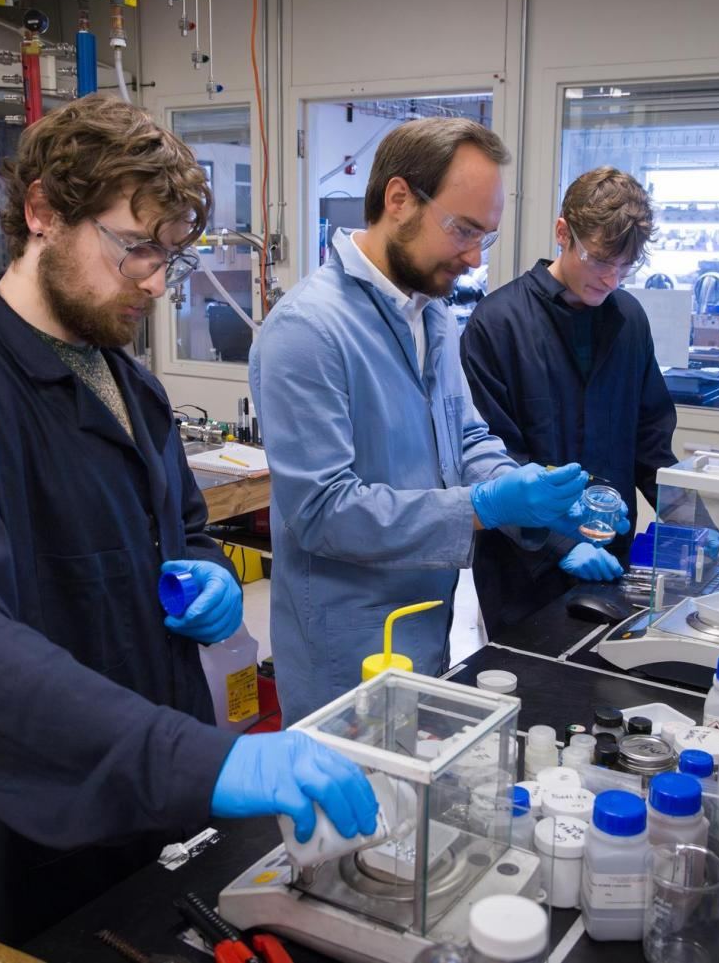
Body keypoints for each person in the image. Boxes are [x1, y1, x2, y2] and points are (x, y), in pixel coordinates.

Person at [0, 95, 377, 959]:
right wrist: (205, 761)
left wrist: (204, 570)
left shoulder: (127, 384)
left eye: (172, 252)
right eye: (136, 247)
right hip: (14, 842)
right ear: (42, 213)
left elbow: (184, 524)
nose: (158, 280)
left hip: (144, 810)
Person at [250, 118, 621, 724]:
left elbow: (466, 436)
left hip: (425, 629)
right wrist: (482, 507)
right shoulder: (308, 331)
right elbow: (323, 513)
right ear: (398, 200)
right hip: (346, 653)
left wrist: (525, 491)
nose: (475, 259)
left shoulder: (433, 317)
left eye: (486, 238)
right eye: (462, 230)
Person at [460, 167, 677, 635]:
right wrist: (562, 545)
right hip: (525, 564)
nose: (611, 280)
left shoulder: (629, 320)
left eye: (624, 267)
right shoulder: (497, 325)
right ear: (563, 232)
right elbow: (492, 461)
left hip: (610, 557)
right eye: (599, 260)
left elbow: (651, 438)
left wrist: (687, 516)